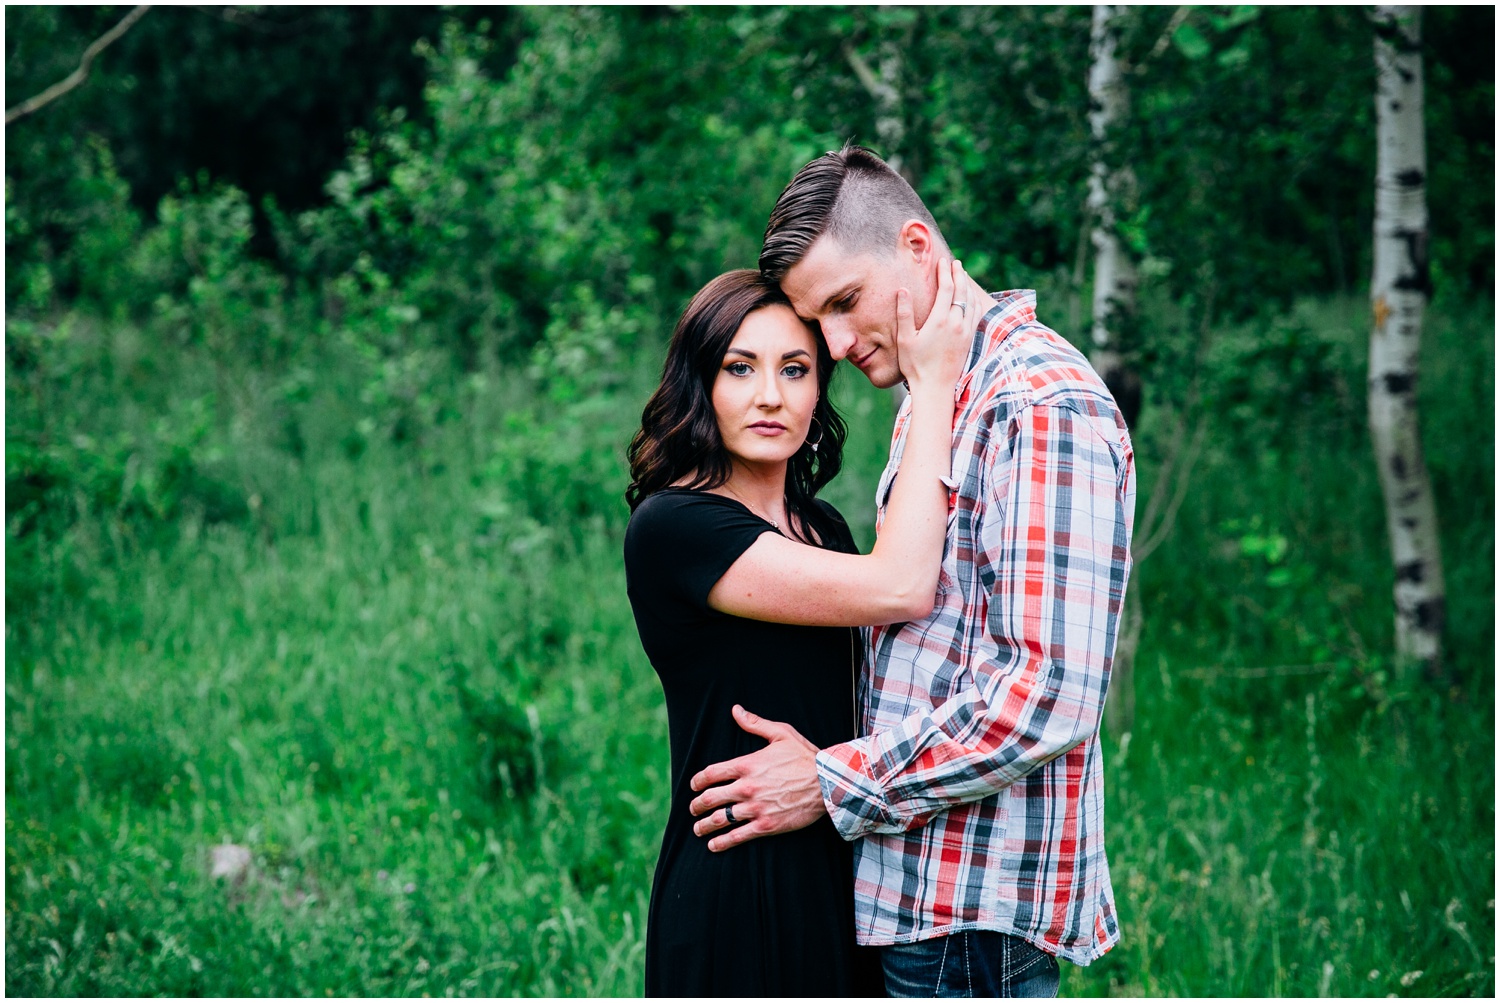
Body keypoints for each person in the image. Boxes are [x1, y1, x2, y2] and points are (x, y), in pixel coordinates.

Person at [686, 145, 1137, 998]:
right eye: (819, 321)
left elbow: (1049, 693)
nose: (838, 344)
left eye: (847, 303)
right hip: (915, 897)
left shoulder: (1041, 406)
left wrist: (832, 780)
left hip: (969, 919)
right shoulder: (941, 391)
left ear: (919, 249)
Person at [622, 263, 977, 996]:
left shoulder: (822, 526)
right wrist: (932, 382)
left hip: (836, 864)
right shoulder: (674, 527)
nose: (769, 396)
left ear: (819, 390)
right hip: (737, 882)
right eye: (739, 368)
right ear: (702, 386)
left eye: (795, 368)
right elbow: (901, 584)